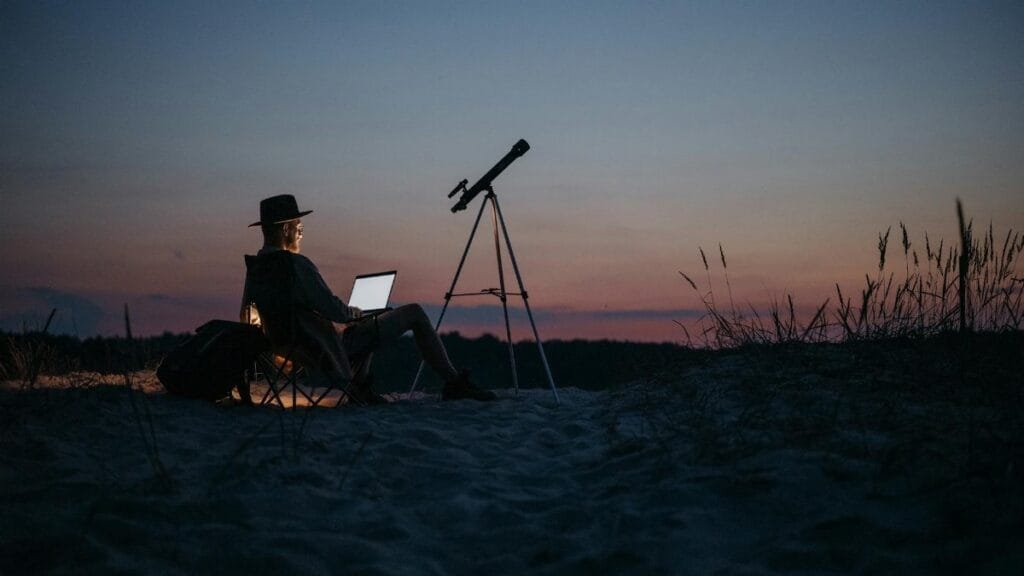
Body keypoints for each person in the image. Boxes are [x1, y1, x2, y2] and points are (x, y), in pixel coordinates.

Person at [239, 194, 495, 404]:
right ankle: (453, 382)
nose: (301, 234)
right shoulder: (295, 265)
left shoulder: (257, 268)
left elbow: (247, 316)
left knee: (370, 321)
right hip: (321, 348)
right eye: (299, 228)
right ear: (285, 228)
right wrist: (354, 313)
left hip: (288, 347)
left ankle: (359, 387)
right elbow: (334, 310)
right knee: (413, 312)